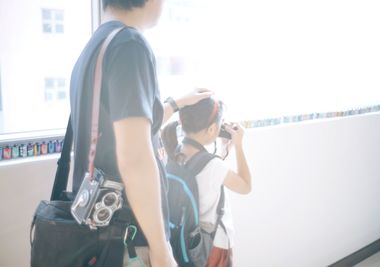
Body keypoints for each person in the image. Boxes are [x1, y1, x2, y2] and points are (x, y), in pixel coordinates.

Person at [69, 0, 212, 266]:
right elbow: (134, 157)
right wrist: (161, 249)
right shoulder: (130, 46)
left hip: (99, 237)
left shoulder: (96, 47)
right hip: (129, 240)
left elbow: (125, 127)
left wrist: (176, 104)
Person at [161, 98, 252, 266]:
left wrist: (225, 152)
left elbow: (205, 177)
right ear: (211, 129)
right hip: (213, 245)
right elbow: (246, 186)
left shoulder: (173, 151)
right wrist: (239, 145)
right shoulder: (214, 166)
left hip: (185, 241)